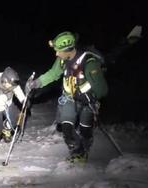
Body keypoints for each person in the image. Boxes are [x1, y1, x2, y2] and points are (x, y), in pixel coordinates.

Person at [26, 31, 108, 163]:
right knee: (67, 128)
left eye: (59, 51)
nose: (56, 54)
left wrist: (91, 96)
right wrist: (37, 83)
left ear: (68, 50)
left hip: (88, 103)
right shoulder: (62, 60)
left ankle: (85, 146)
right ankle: (78, 152)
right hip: (69, 98)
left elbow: (102, 90)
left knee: (85, 130)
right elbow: (53, 74)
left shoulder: (89, 62)